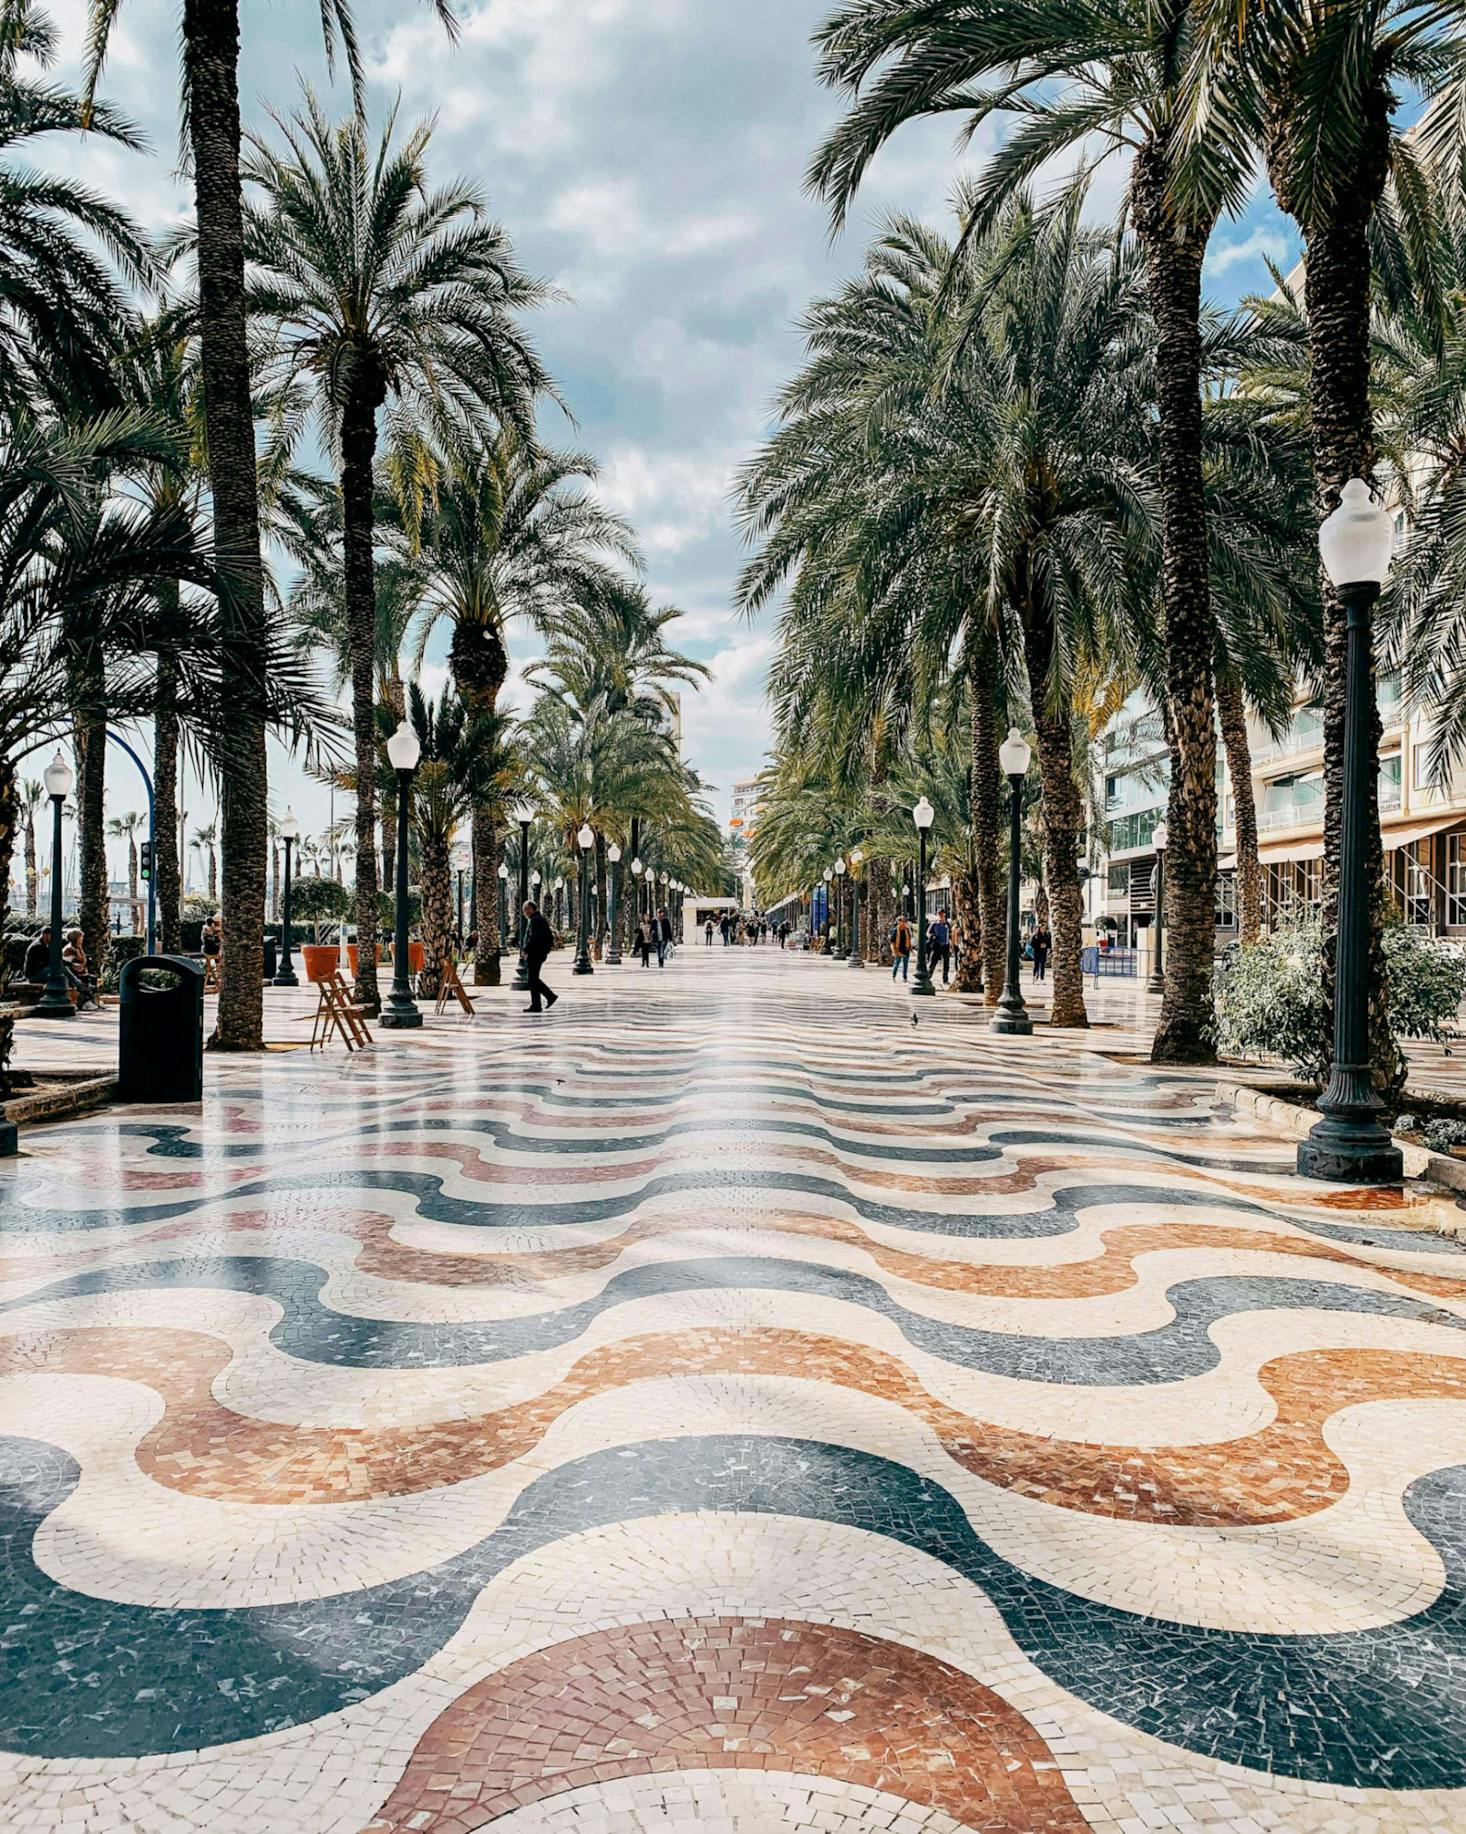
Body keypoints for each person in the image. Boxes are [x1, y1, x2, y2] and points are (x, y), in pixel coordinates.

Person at [521, 900, 557, 1014]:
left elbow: (534, 937)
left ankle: (547, 998)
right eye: (525, 910)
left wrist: (526, 949)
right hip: (538, 953)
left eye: (528, 909)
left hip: (535, 954)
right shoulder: (537, 919)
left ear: (533, 909)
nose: (526, 912)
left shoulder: (535, 920)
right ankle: (539, 1002)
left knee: (532, 979)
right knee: (533, 979)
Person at [62, 928, 98, 1009]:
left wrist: (80, 947)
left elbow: (83, 961)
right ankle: (86, 1002)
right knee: (86, 979)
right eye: (80, 938)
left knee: (92, 978)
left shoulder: (76, 948)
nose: (82, 939)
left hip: (74, 970)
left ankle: (90, 1000)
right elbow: (82, 960)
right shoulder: (70, 949)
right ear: (76, 939)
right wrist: (80, 948)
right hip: (68, 972)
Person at [927, 909, 952, 985]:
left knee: (946, 964)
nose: (941, 916)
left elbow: (950, 934)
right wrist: (932, 936)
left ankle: (945, 979)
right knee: (932, 963)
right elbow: (928, 933)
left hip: (945, 945)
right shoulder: (934, 924)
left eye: (942, 914)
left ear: (944, 914)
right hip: (937, 945)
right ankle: (928, 977)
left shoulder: (947, 924)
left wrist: (951, 945)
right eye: (939, 914)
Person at [890, 913, 912, 981]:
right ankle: (893, 976)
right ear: (898, 922)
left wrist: (910, 946)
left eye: (905, 921)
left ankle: (904, 977)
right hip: (898, 949)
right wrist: (894, 950)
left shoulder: (907, 929)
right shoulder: (895, 930)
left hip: (906, 949)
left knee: (905, 964)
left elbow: (909, 938)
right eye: (902, 921)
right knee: (897, 963)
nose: (904, 923)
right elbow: (892, 941)